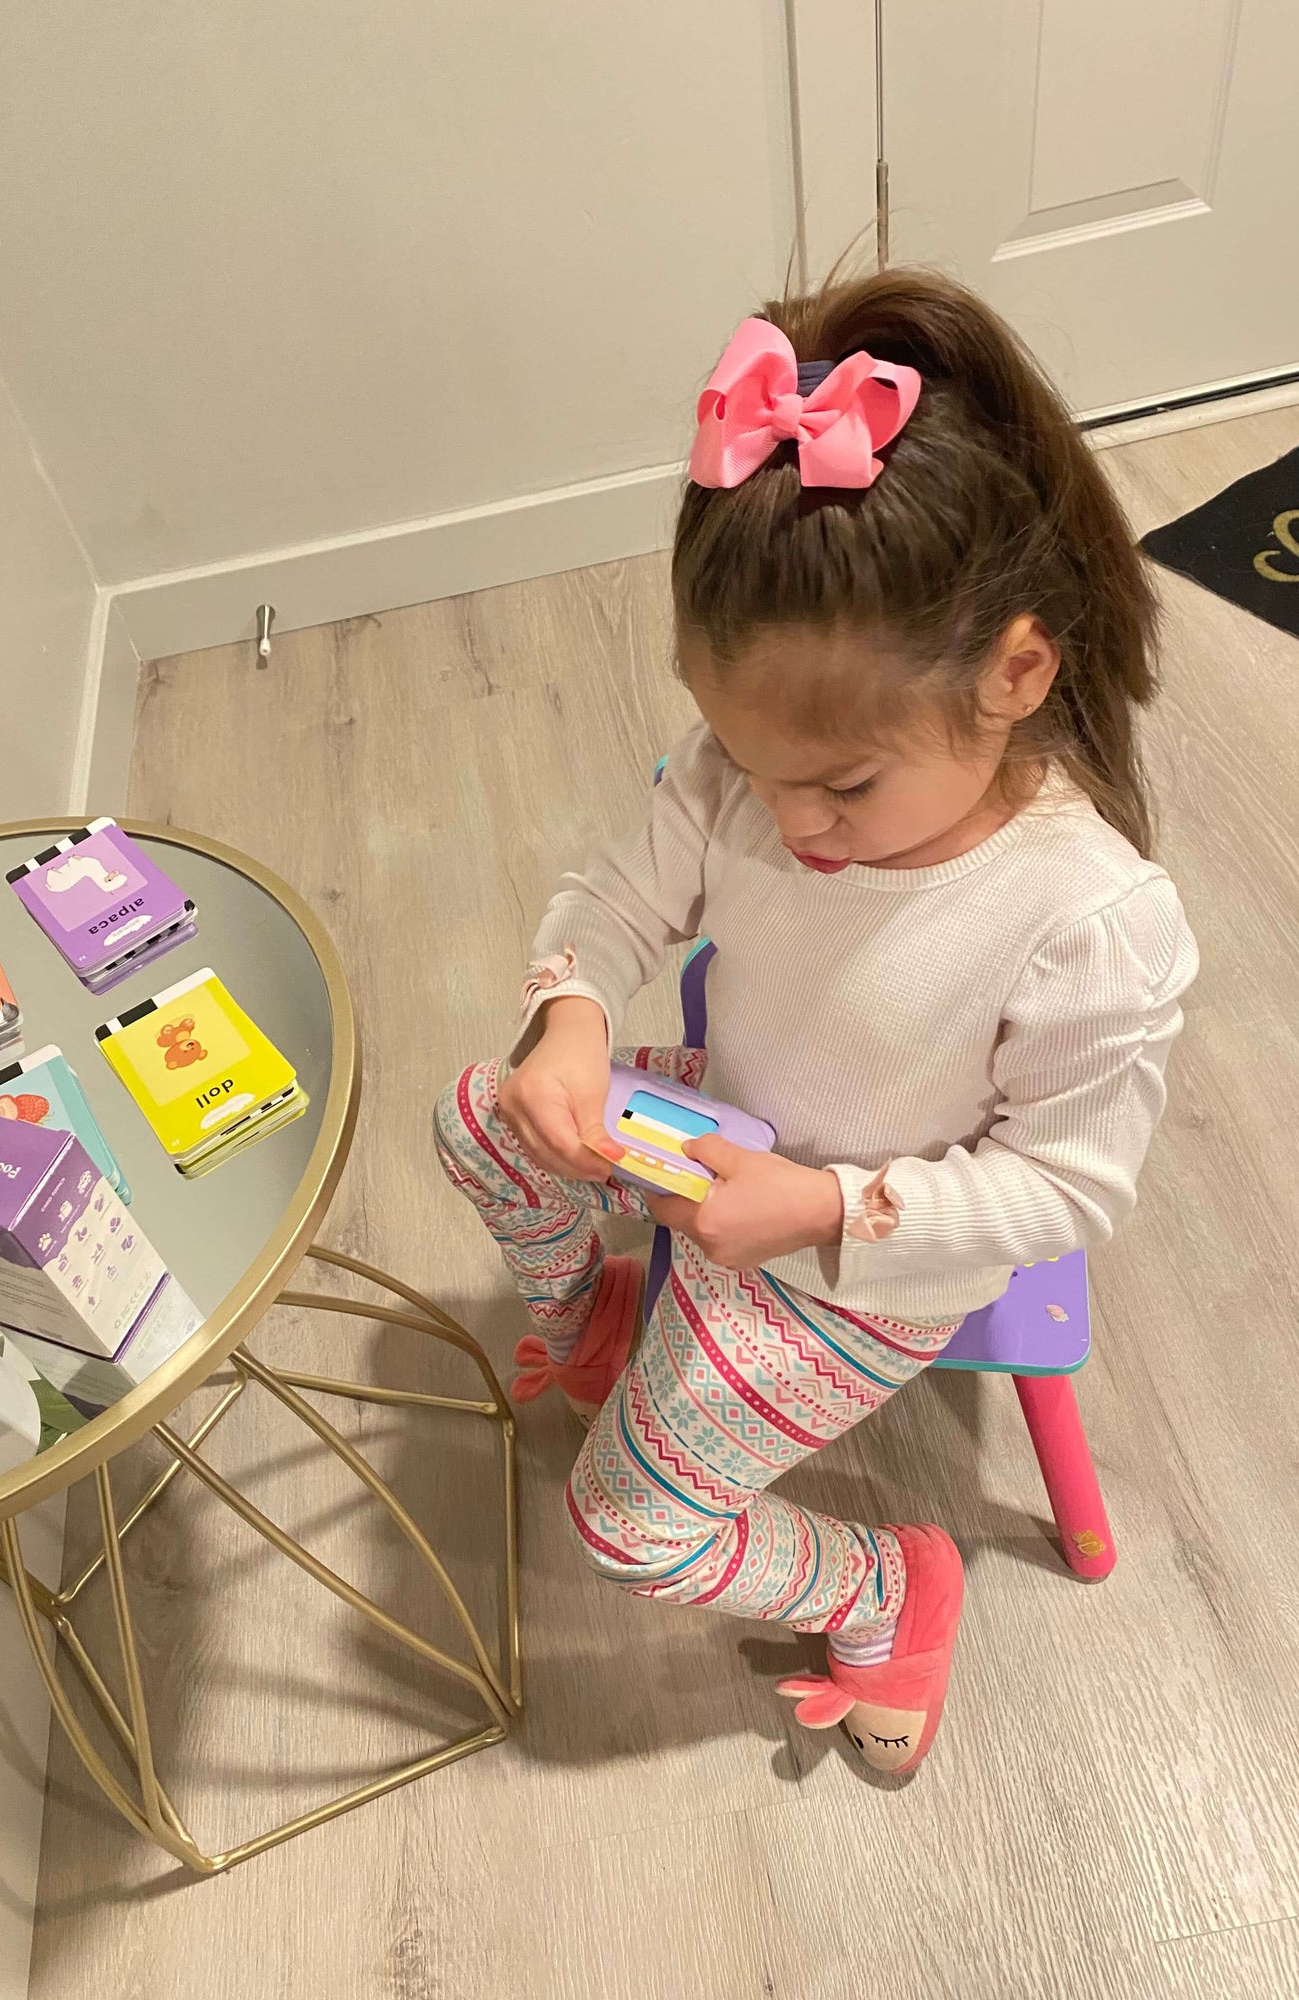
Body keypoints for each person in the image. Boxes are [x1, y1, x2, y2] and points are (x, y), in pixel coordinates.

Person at [433, 269, 1197, 1776]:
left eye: (842, 788)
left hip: (868, 1257)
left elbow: (1065, 1190)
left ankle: (888, 1592)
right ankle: (595, 1327)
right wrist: (570, 1013)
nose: (788, 823)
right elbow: (612, 896)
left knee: (627, 1526)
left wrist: (827, 1211)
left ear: (1016, 672)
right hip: (729, 1123)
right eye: (746, 763)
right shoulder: (763, 766)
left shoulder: (1089, 918)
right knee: (478, 1114)